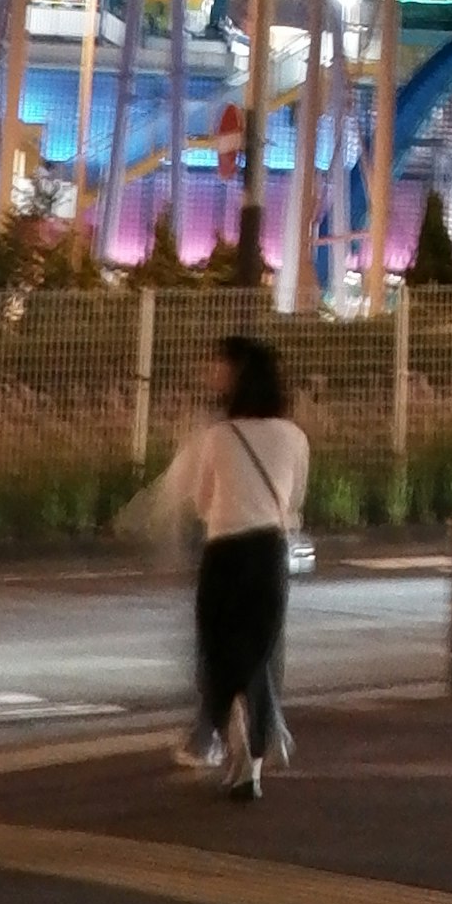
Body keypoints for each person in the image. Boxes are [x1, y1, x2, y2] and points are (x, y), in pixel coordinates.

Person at [162, 335, 307, 800]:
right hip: (270, 552)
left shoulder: (217, 437)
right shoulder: (294, 436)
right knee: (260, 653)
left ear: (238, 376)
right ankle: (257, 752)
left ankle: (227, 737)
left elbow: (203, 501)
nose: (212, 373)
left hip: (225, 553)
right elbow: (294, 500)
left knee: (222, 652)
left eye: (220, 366)